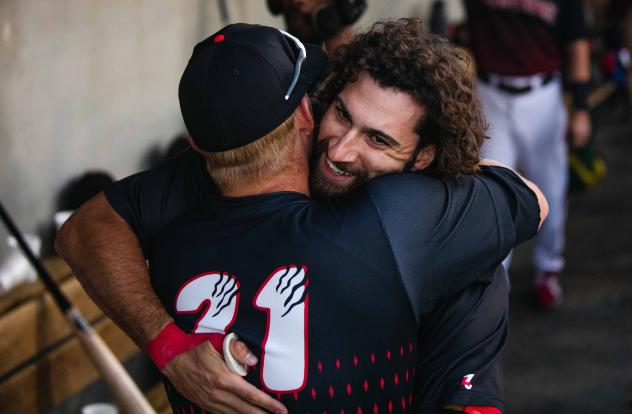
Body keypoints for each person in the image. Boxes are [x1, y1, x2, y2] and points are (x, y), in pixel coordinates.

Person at [56, 20, 547, 413]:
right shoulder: (402, 218)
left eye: (378, 140)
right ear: (311, 111)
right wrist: (169, 347)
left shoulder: (423, 221)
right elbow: (85, 231)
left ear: (422, 159)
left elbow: (530, 204)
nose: (341, 149)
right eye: (342, 114)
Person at [463, 0, 592, 309]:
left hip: (542, 94)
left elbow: (577, 46)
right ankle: (495, 280)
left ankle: (548, 267)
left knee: (551, 189)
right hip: (491, 92)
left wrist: (582, 108)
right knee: (492, 192)